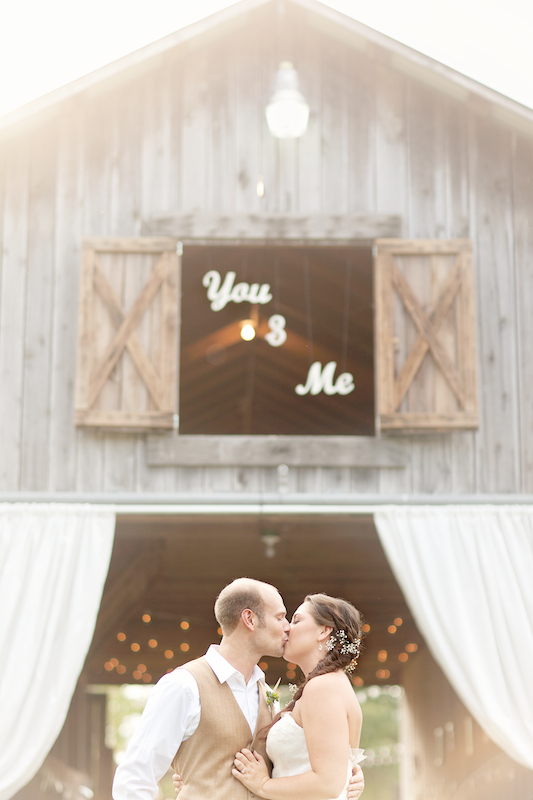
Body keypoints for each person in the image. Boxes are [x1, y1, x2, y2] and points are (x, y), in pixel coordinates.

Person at [112, 578, 364, 800]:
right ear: (249, 619)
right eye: (280, 617)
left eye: (292, 619)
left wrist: (348, 774)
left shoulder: (269, 696)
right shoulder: (184, 685)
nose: (287, 626)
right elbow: (134, 779)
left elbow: (308, 766)